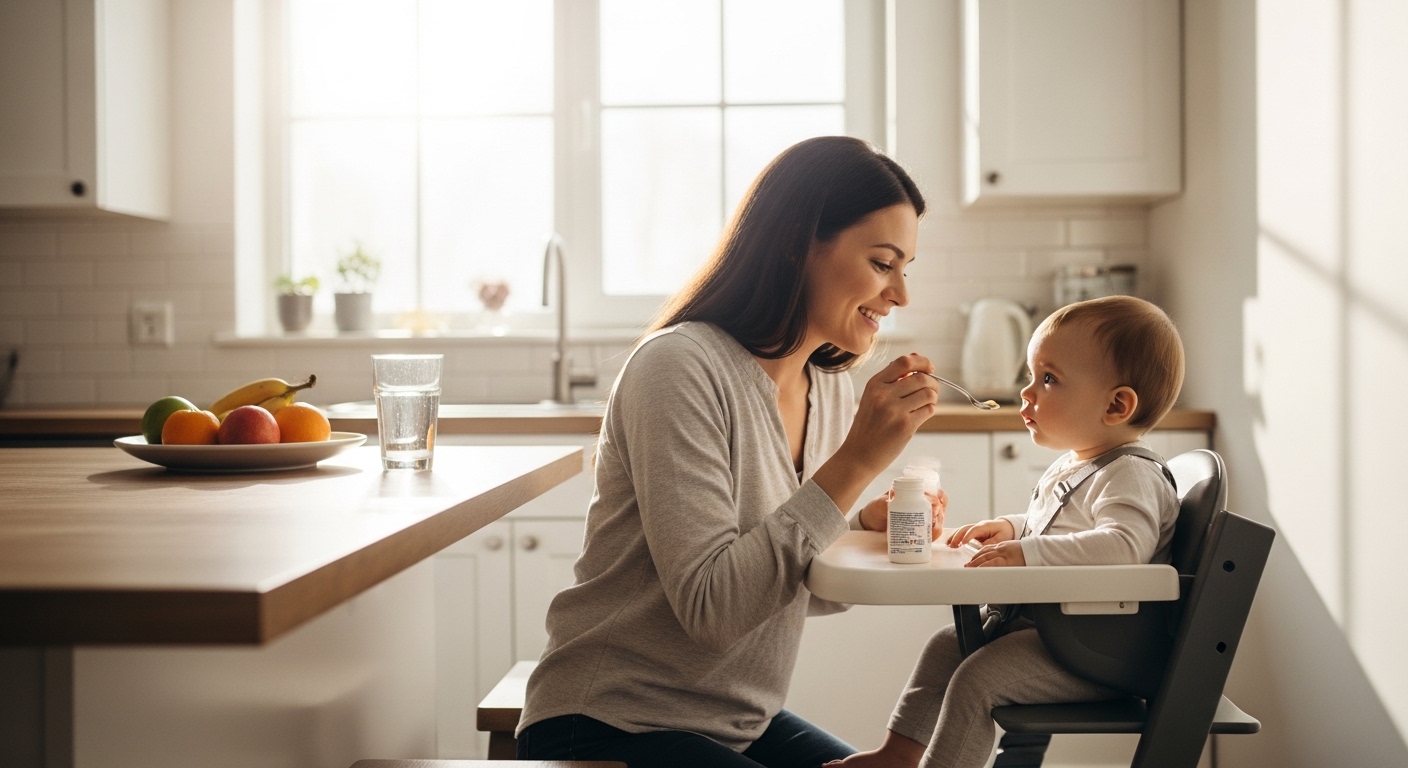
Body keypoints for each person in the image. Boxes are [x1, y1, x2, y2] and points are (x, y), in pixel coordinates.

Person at [516, 136, 947, 767]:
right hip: (610, 722)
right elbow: (713, 609)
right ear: (800, 243)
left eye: (905, 268)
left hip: (739, 723)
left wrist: (862, 530)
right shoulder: (679, 368)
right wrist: (855, 462)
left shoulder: (826, 387)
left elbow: (796, 585)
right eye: (883, 263)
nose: (900, 294)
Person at [830, 295, 1186, 768]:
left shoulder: (1131, 474)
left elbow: (1123, 547)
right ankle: (898, 755)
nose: (1027, 392)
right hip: (1064, 634)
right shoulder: (1080, 465)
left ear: (1117, 405)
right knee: (946, 647)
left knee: (979, 678)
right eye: (1031, 376)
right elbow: (1066, 530)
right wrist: (1013, 528)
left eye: (1049, 379)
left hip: (1101, 651)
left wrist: (1028, 553)